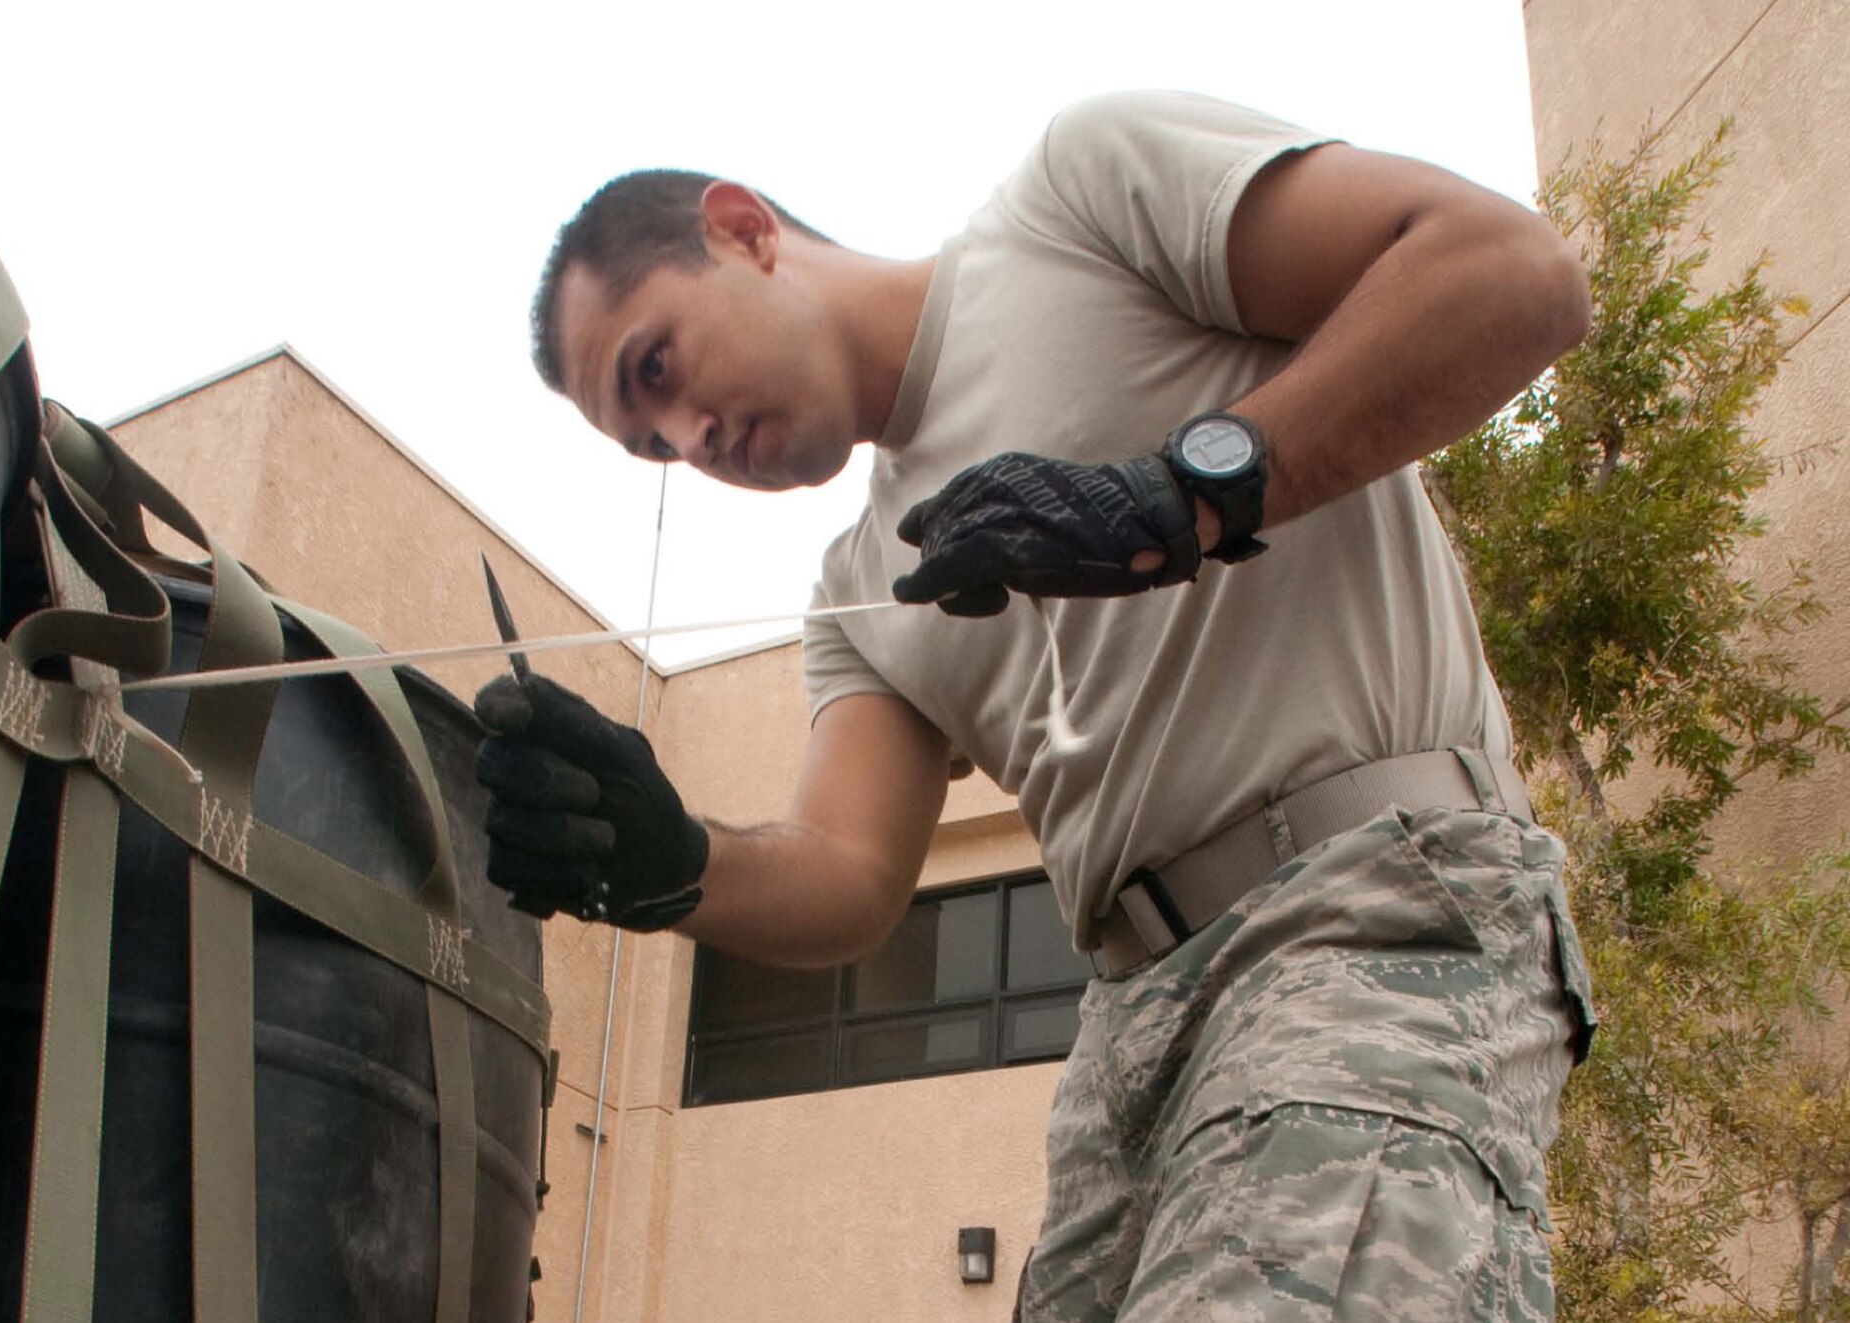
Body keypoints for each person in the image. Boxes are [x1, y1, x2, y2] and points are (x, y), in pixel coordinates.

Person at [476, 90, 1597, 1320]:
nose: (691, 436)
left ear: (741, 228)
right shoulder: (860, 584)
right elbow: (848, 874)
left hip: (1369, 910)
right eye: (651, 444)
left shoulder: (1077, 196)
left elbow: (1511, 274)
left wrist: (1177, 493)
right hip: (1128, 1030)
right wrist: (667, 863)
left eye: (659, 366)